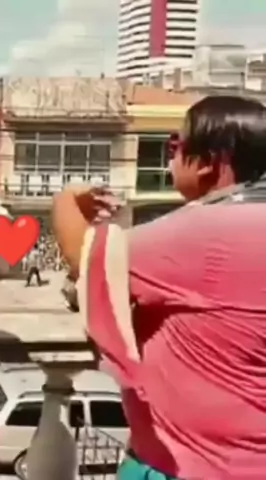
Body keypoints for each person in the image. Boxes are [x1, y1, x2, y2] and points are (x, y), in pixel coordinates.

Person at [52, 95, 266, 479]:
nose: (170, 158)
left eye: (175, 146)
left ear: (209, 162)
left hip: (187, 467)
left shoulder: (197, 235)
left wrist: (67, 200)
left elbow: (87, 256)